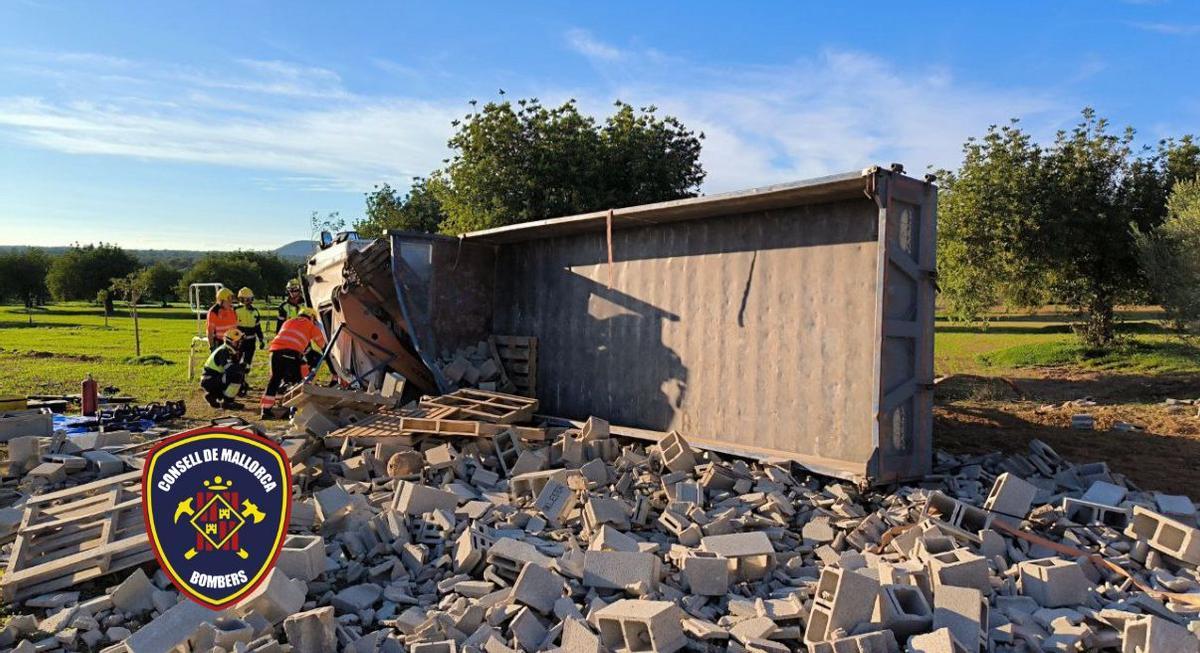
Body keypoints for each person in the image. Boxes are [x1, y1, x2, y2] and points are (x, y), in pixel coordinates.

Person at [261, 307, 326, 419]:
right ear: (311, 317)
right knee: (296, 383)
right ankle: (293, 411)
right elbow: (322, 344)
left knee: (275, 380)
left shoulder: (288, 321)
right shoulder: (311, 326)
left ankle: (266, 411)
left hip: (275, 352)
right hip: (292, 354)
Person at [200, 328, 246, 409]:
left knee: (237, 373)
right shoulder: (224, 351)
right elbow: (230, 369)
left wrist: (243, 383)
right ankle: (228, 402)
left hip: (210, 379)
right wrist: (241, 380)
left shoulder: (229, 350)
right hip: (210, 380)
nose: (240, 343)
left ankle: (212, 396)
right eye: (237, 341)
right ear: (230, 341)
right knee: (236, 375)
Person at [234, 287, 265, 367]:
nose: (249, 302)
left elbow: (258, 327)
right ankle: (236, 377)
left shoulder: (255, 311)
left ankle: (243, 376)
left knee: (247, 363)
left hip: (251, 341)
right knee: (235, 362)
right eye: (247, 299)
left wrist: (261, 339)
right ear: (241, 299)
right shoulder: (235, 310)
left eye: (251, 299)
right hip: (239, 341)